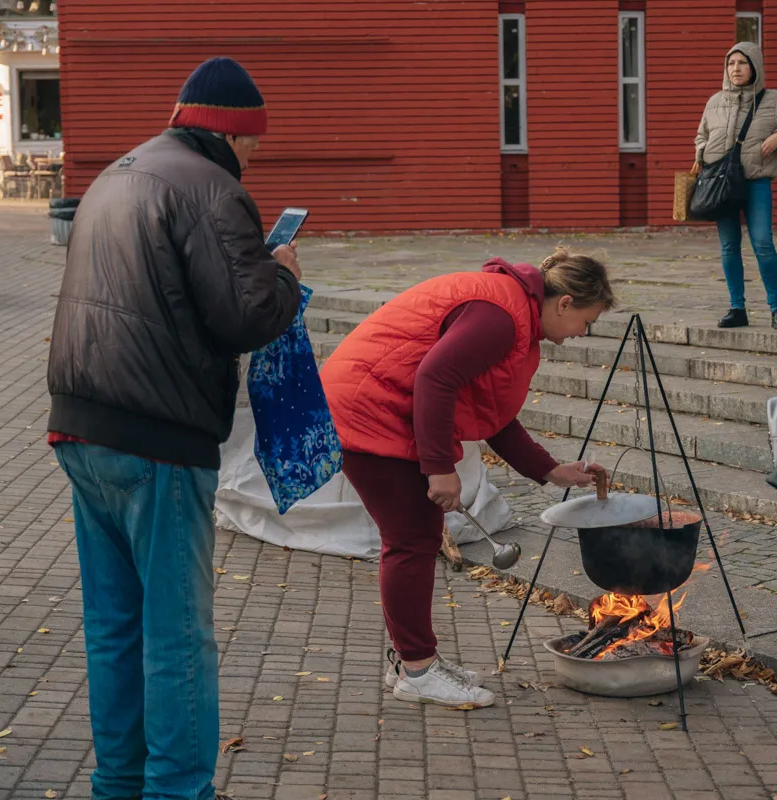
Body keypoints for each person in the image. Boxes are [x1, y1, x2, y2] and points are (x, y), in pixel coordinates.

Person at [46, 58, 302, 799]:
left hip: (81, 427)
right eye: (255, 142)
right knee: (177, 635)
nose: (256, 157)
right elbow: (247, 315)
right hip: (156, 436)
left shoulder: (119, 170)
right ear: (232, 132)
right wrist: (280, 270)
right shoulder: (214, 189)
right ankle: (177, 791)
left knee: (114, 627)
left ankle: (118, 784)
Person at [321, 248, 615, 709]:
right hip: (370, 409)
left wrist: (551, 469)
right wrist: (440, 468)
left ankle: (413, 661)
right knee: (411, 541)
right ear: (564, 303)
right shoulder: (500, 316)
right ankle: (418, 670)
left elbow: (490, 412)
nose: (581, 333)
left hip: (381, 406)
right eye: (586, 321)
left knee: (415, 537)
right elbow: (435, 378)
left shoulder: (514, 313)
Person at [693, 42, 777, 330]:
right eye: (731, 63)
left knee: (762, 243)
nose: (735, 69)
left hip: (756, 182)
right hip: (722, 184)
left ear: (754, 66)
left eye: (742, 63)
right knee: (729, 247)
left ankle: (776, 308)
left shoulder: (772, 100)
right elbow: (701, 136)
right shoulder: (715, 102)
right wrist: (702, 152)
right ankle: (737, 308)